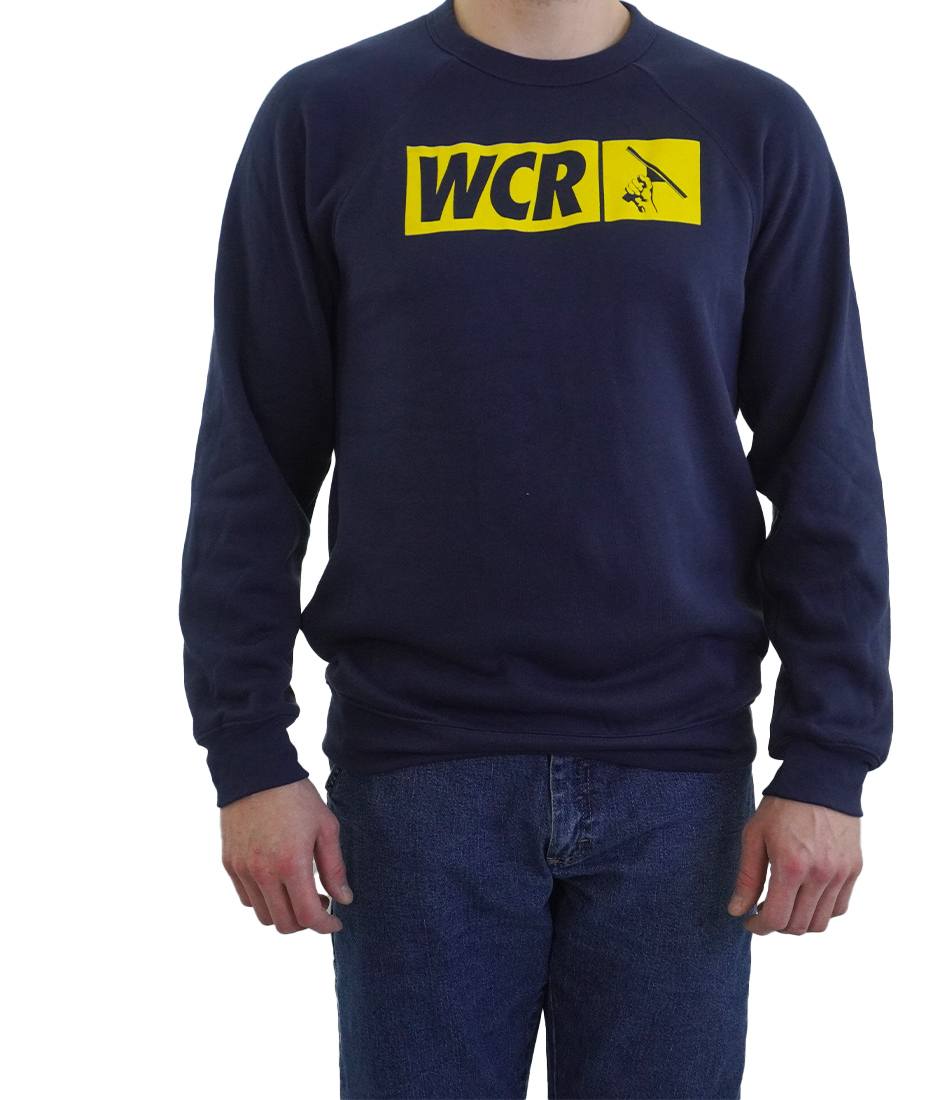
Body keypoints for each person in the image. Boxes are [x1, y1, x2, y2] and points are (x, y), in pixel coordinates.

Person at [178, 1, 893, 1095]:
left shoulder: (747, 124)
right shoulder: (329, 116)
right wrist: (248, 753)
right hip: (418, 778)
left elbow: (822, 457)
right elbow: (254, 458)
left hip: (678, 781)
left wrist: (829, 758)